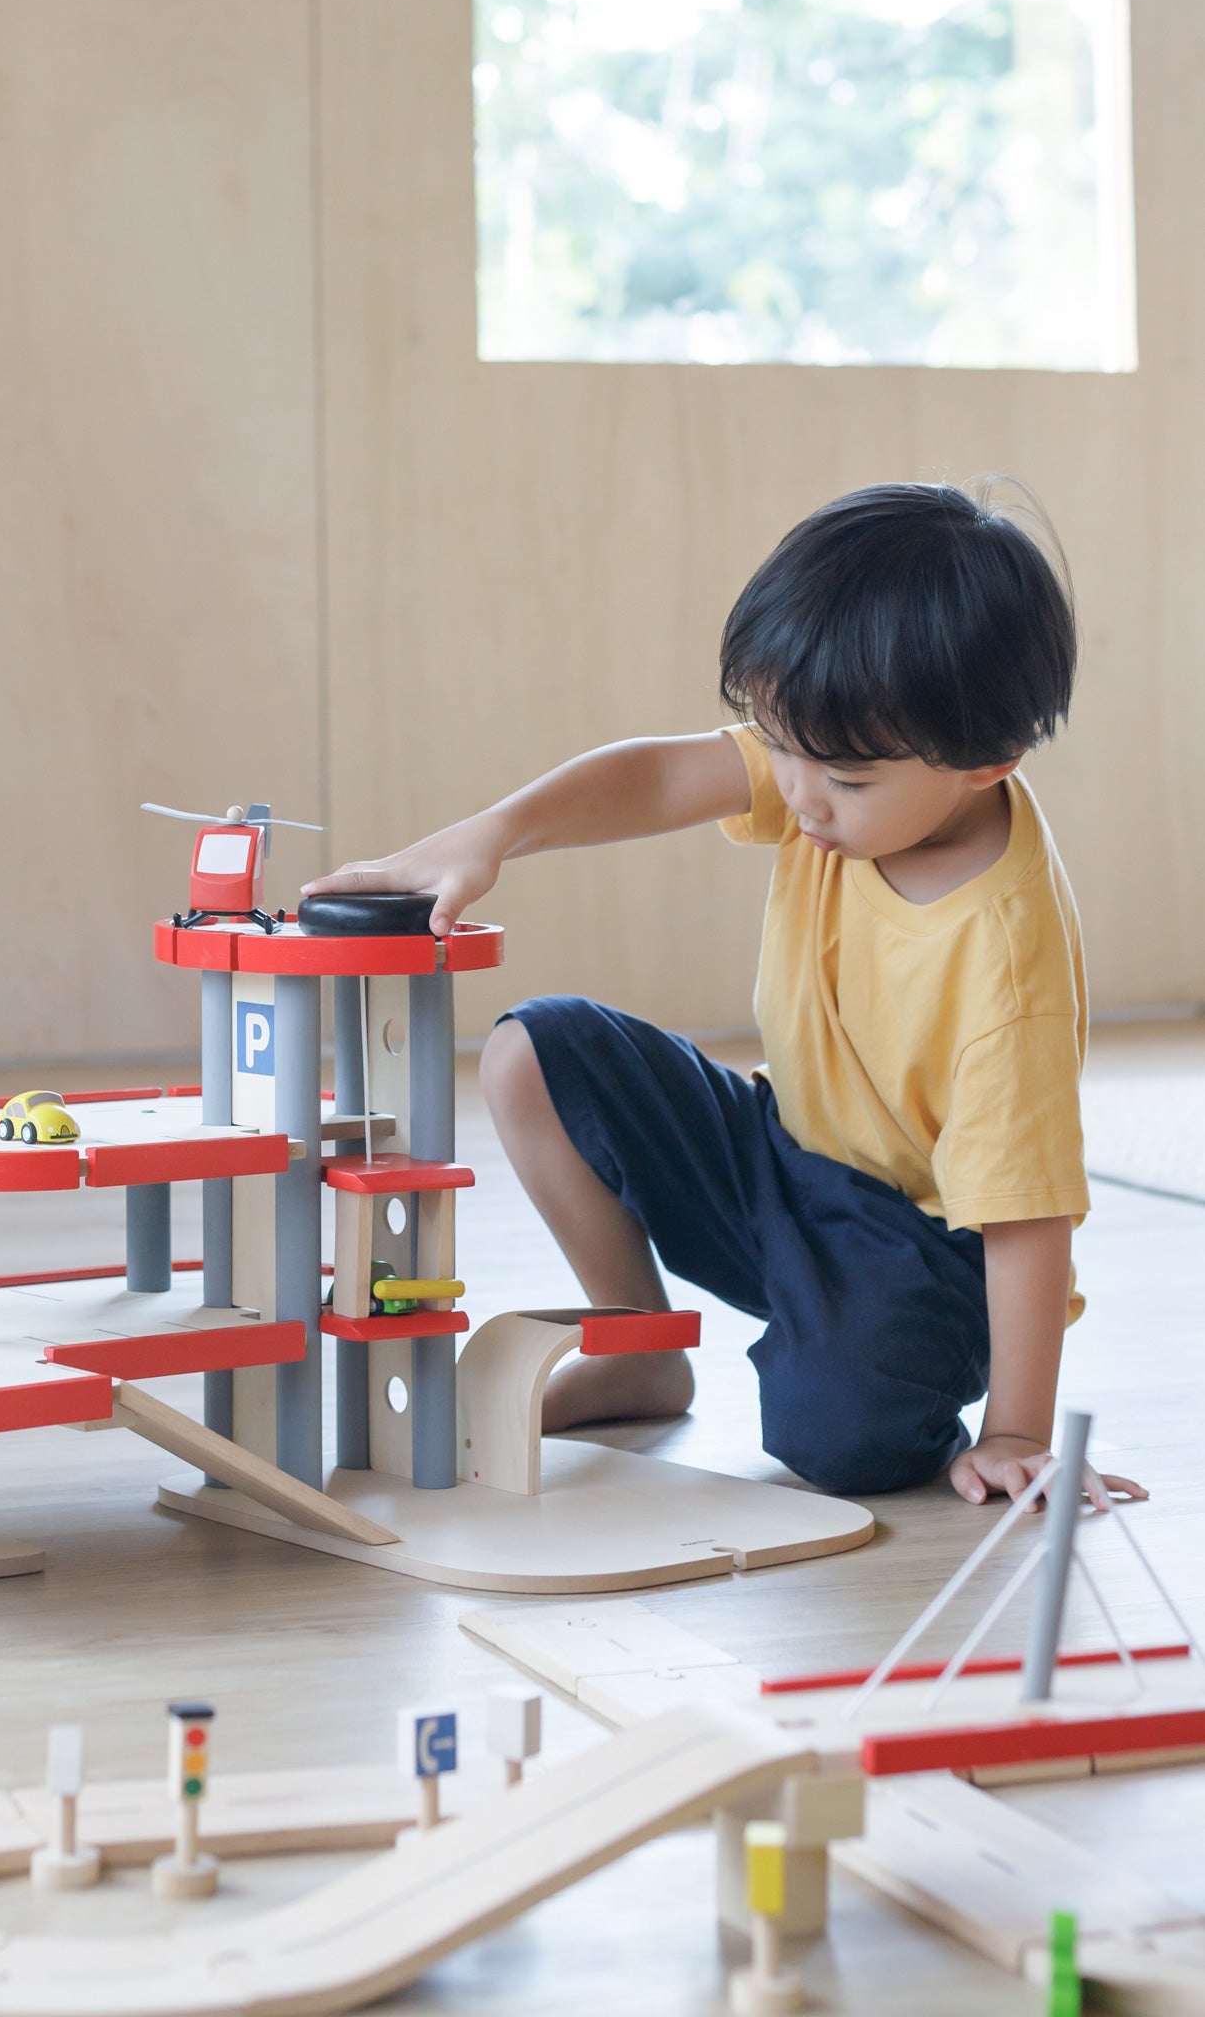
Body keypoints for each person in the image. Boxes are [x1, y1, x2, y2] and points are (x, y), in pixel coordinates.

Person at [303, 482, 1144, 1509]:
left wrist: (1015, 1428)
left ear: (985, 763)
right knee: (536, 1053)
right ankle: (636, 1348)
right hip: (781, 1156)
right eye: (774, 742)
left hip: (918, 1251)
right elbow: (657, 777)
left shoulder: (1002, 961)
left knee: (834, 1438)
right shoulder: (840, 760)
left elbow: (1024, 1220)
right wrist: (490, 835)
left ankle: (860, 1366)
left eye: (838, 776)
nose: (795, 791)